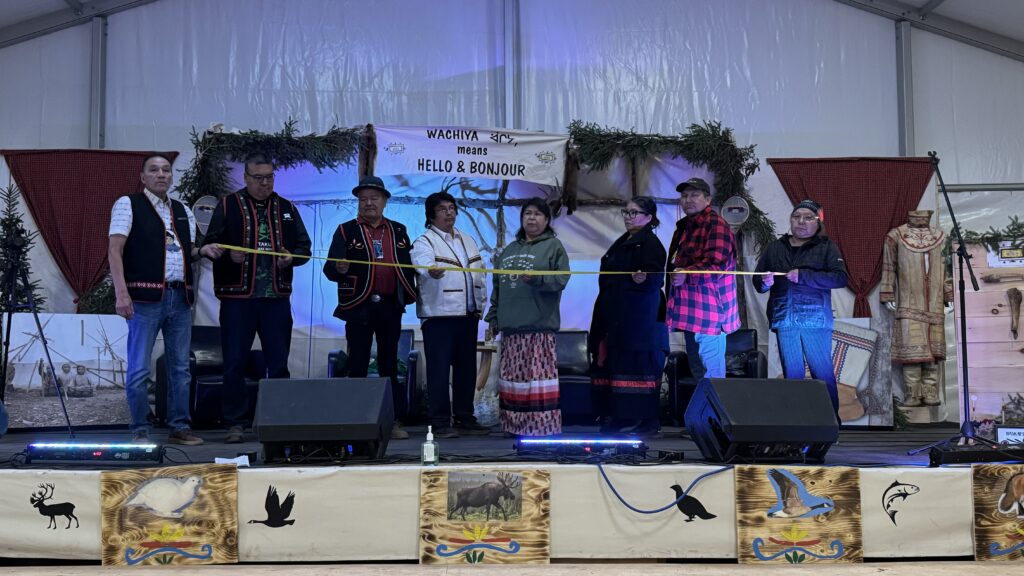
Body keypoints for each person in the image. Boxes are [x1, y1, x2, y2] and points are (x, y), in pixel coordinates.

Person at [201, 152, 312, 443]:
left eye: (270, 177)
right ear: (246, 178)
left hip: (275, 298)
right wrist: (228, 256)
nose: (265, 183)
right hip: (238, 299)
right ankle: (235, 423)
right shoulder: (228, 205)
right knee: (235, 362)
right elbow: (209, 246)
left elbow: (304, 248)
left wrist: (292, 258)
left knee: (278, 363)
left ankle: (278, 420)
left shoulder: (286, 208)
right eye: (259, 178)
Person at [108, 153, 203, 445]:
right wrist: (121, 293)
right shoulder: (128, 203)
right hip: (144, 299)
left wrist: (206, 251)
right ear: (143, 177)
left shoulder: (183, 209)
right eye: (154, 170)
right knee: (139, 368)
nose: (162, 174)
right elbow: (115, 250)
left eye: (166, 170)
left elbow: (188, 251)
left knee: (180, 368)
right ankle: (140, 429)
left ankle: (179, 426)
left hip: (180, 298)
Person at [324, 175, 417, 440]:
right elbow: (329, 268)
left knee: (390, 364)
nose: (368, 203)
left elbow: (407, 266)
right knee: (358, 364)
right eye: (363, 199)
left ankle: (393, 421)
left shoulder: (398, 230)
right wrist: (338, 268)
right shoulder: (345, 230)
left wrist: (409, 294)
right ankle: (356, 420)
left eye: (374, 198)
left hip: (390, 306)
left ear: (385, 201)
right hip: (358, 306)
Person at [754, 199, 848, 417]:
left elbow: (840, 278)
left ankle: (830, 424)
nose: (801, 222)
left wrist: (804, 276)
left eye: (808, 217)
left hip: (815, 319)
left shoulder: (826, 247)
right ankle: (797, 423)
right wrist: (764, 283)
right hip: (784, 317)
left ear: (818, 222)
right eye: (796, 217)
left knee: (821, 372)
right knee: (792, 374)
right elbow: (758, 280)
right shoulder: (775, 248)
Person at [484, 198, 570, 437]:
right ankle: (513, 427)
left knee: (537, 382)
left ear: (546, 220)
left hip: (538, 329)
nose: (532, 218)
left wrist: (538, 279)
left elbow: (561, 279)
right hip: (511, 330)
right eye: (527, 214)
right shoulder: (509, 251)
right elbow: (497, 288)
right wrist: (493, 319)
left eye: (538, 214)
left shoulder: (554, 246)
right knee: (512, 381)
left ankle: (541, 429)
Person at [411, 192, 490, 438]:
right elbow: (422, 265)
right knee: (439, 370)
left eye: (452, 208)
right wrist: (430, 271)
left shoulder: (468, 240)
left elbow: (481, 274)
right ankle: (439, 422)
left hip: (467, 315)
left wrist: (481, 307)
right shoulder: (425, 241)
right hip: (439, 317)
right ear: (431, 215)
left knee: (466, 369)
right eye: (443, 209)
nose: (449, 213)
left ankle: (465, 417)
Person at [589, 197, 668, 437]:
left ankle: (640, 418)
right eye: (626, 212)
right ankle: (619, 415)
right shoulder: (624, 241)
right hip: (617, 314)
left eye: (634, 213)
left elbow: (656, 278)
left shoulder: (651, 244)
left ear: (649, 217)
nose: (628, 217)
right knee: (617, 365)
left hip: (638, 318)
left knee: (637, 368)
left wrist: (645, 278)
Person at [665, 177, 740, 382]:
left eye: (694, 195)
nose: (688, 199)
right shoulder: (684, 227)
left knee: (712, 375)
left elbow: (715, 266)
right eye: (685, 195)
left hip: (711, 312)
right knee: (698, 371)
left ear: (708, 200)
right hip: (690, 309)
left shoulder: (717, 225)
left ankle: (716, 414)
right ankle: (702, 414)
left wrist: (686, 275)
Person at [880, 210, 949, 407]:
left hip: (935, 302)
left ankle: (930, 393)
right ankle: (912, 395)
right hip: (908, 301)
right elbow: (888, 267)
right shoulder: (896, 236)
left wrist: (948, 295)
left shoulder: (940, 236)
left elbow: (947, 269)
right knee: (911, 352)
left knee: (933, 353)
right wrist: (887, 293)